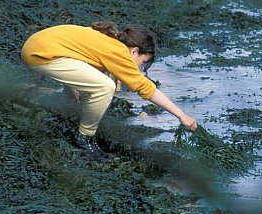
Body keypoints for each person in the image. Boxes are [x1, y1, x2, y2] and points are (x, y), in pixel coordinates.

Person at [21, 21, 198, 161]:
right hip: (40, 54)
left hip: (37, 47)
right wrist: (181, 115)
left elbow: (74, 53)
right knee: (105, 86)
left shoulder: (109, 42)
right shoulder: (119, 52)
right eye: (142, 62)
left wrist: (70, 90)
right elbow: (145, 88)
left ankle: (84, 132)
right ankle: (85, 138)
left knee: (99, 82)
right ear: (134, 51)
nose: (140, 67)